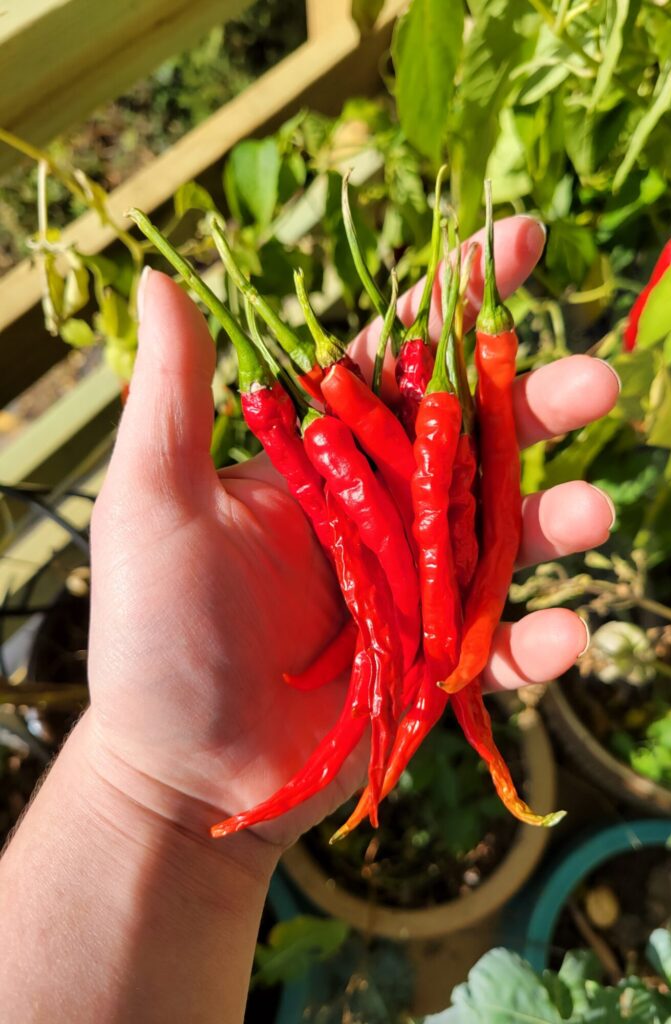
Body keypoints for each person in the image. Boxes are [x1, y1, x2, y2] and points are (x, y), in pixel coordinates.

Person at [0, 216, 618, 1023]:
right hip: (332, 435)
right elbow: (404, 538)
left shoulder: (381, 422)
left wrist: (153, 801)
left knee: (457, 533)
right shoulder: (320, 431)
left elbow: (446, 520)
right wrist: (153, 794)